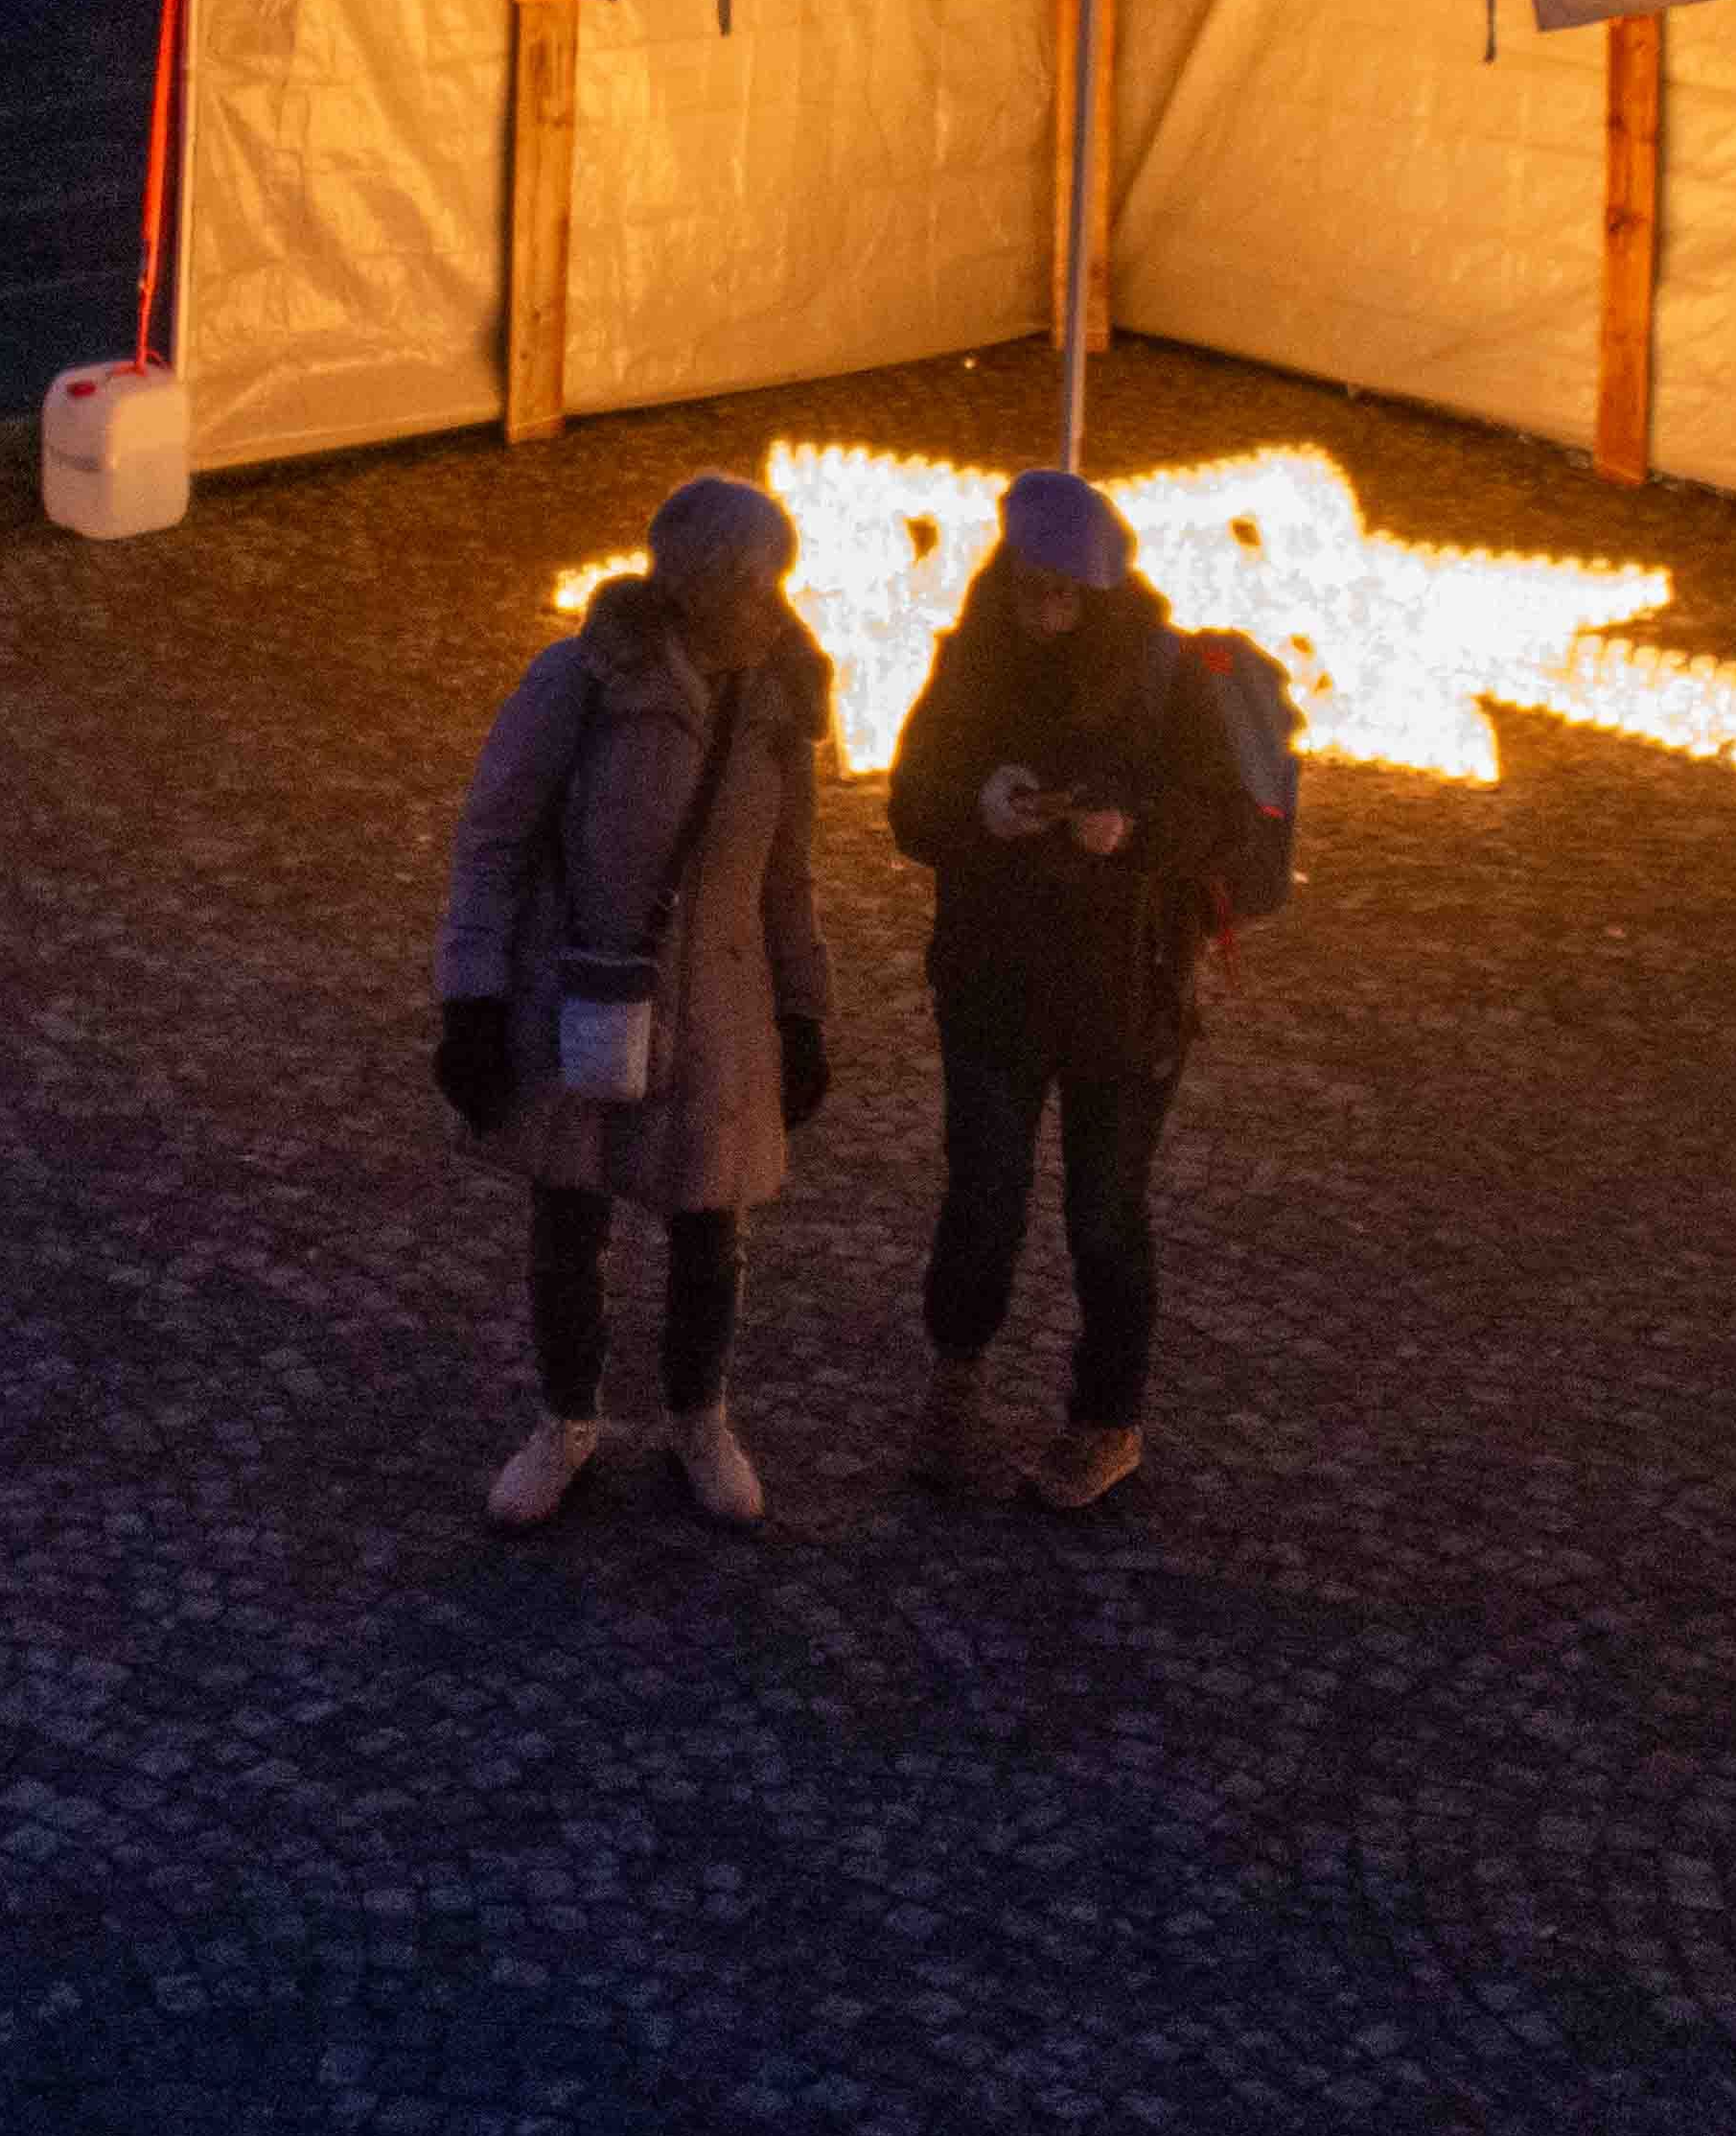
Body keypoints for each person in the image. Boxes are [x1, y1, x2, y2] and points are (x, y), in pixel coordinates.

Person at [434, 471, 835, 1526]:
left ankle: (699, 1418)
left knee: (710, 1225)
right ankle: (567, 1420)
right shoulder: (581, 683)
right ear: (703, 587)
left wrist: (803, 1011)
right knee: (571, 1212)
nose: (775, 603)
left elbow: (787, 875)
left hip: (721, 1007)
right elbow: (493, 840)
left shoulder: (776, 702)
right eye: (757, 583)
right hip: (586, 989)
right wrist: (472, 997)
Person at [888, 469, 1249, 1512]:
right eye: (1029, 589)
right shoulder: (972, 666)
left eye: (1064, 594)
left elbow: (1222, 816)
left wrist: (1131, 829)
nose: (1045, 612)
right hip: (995, 986)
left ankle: (1106, 1418)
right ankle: (955, 1385)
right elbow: (912, 802)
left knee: (1105, 1213)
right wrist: (980, 805)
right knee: (982, 1199)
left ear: (1099, 592)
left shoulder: (1164, 675)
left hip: (1125, 996)